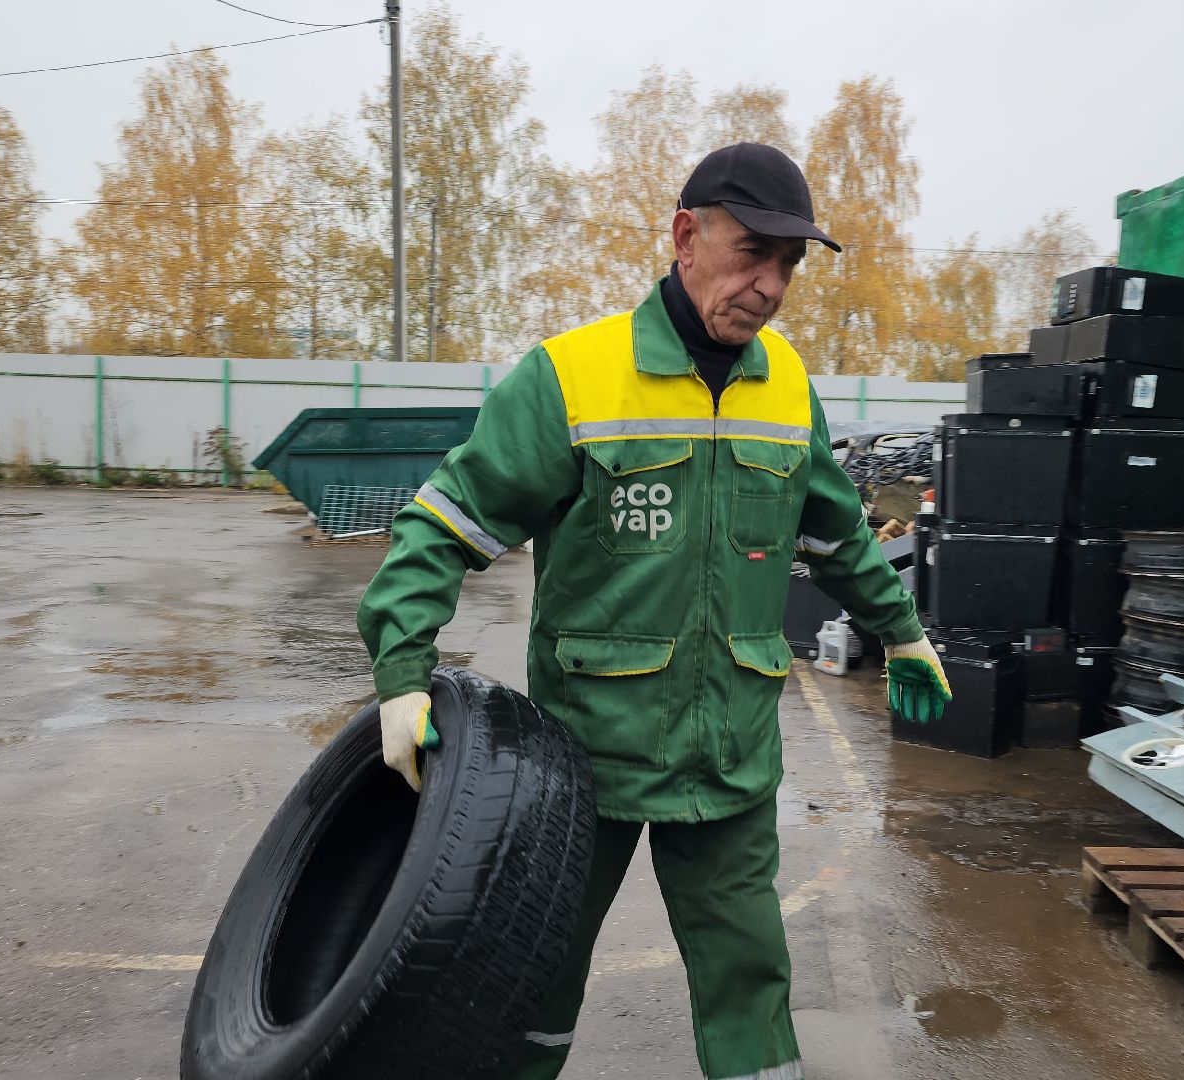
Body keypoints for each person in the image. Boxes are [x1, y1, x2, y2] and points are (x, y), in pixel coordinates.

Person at [357, 141, 952, 1080]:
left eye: (788, 265)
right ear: (685, 237)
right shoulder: (572, 378)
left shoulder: (786, 388)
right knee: (534, 977)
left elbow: (836, 535)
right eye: (751, 253)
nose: (769, 286)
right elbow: (446, 524)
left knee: (751, 985)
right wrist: (402, 670)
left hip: (730, 760)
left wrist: (902, 630)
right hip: (581, 763)